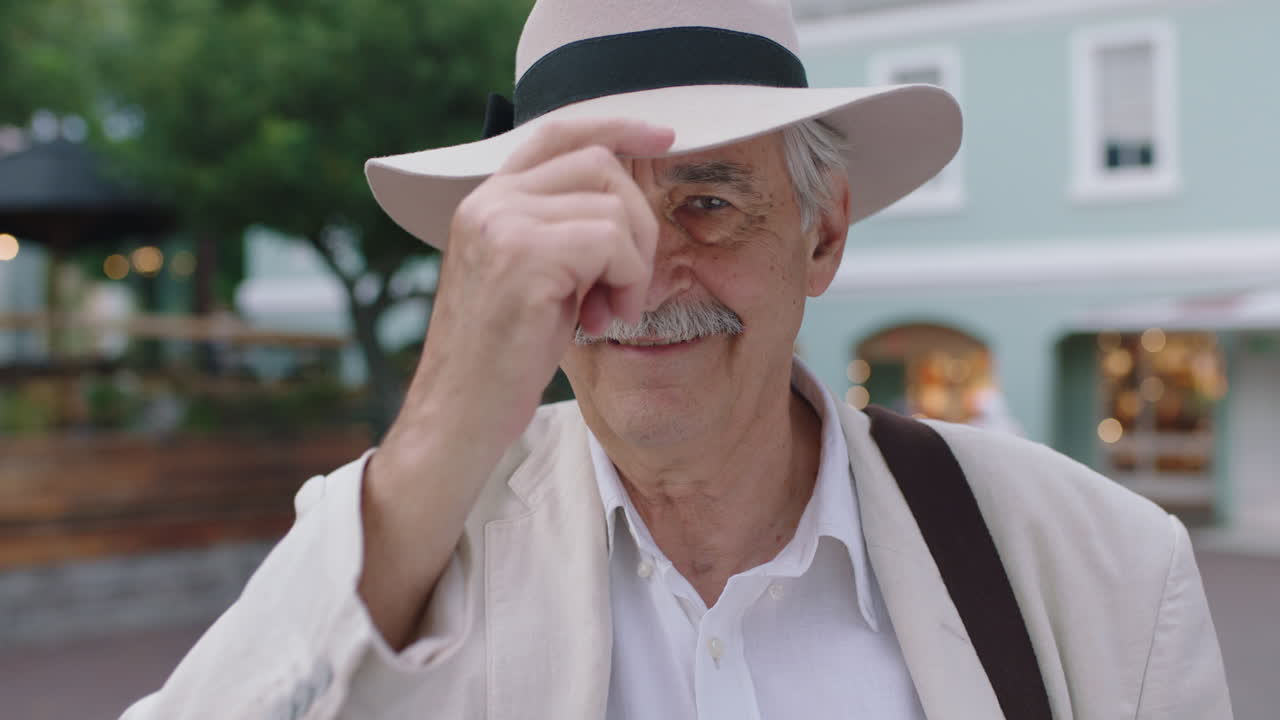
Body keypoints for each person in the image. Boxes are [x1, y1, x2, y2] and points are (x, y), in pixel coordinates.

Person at [123, 1, 1232, 718]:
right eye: (578, 218)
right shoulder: (400, 538)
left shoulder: (1106, 572)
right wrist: (439, 427)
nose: (640, 284)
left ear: (822, 235)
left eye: (705, 203)